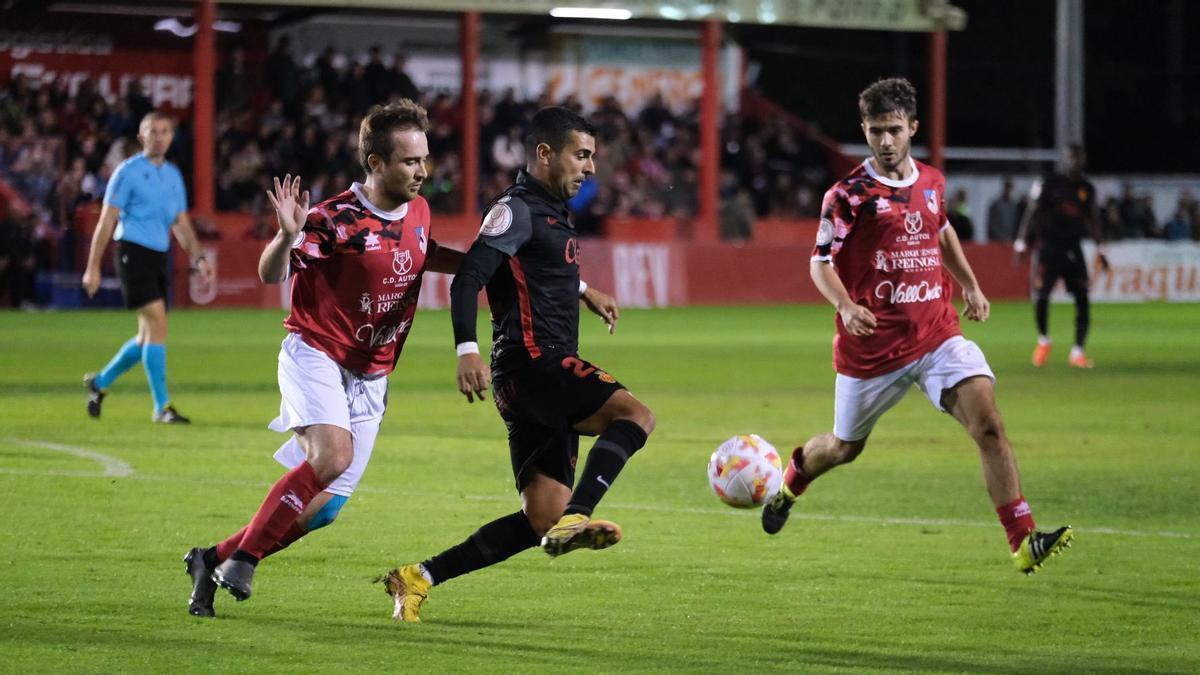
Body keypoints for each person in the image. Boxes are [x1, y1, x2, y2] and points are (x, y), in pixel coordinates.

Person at [760, 78, 1073, 576]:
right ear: (864, 129)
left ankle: (1022, 539)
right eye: (875, 130)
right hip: (872, 350)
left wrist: (970, 285)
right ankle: (791, 482)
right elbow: (820, 263)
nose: (885, 141)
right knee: (844, 448)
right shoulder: (848, 194)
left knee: (989, 425)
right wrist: (844, 305)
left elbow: (942, 229)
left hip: (936, 335)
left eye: (894, 130)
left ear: (913, 128)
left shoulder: (931, 181)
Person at [181, 100, 463, 617]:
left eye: (425, 159)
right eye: (409, 162)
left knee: (323, 510)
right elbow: (272, 274)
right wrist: (287, 235)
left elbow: (424, 251)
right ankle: (244, 559)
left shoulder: (419, 210)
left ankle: (211, 557)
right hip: (318, 353)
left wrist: (480, 266)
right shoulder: (336, 220)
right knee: (332, 457)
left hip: (373, 373)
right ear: (375, 163)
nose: (423, 171)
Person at [378, 107, 656, 623]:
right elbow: (470, 277)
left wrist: (583, 290)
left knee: (540, 518)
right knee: (635, 417)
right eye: (582, 154)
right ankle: (580, 517)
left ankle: (416, 578)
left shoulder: (547, 210)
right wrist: (465, 350)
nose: (590, 167)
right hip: (536, 365)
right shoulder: (516, 209)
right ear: (545, 154)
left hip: (527, 378)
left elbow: (532, 268)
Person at [81, 112, 213, 423]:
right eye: (152, 131)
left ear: (171, 137)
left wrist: (199, 257)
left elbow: (180, 223)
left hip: (158, 256)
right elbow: (107, 220)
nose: (159, 136)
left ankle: (99, 384)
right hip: (131, 252)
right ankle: (161, 407)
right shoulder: (127, 173)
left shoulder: (172, 175)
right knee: (158, 323)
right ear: (142, 137)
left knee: (146, 337)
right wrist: (93, 267)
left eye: (165, 131)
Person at [1014, 144, 1107, 368]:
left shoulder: (1086, 188)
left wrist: (1101, 249)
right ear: (1065, 160)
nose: (1077, 162)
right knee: (1041, 297)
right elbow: (1031, 212)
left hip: (1073, 249)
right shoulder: (1047, 183)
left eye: (1080, 157)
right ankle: (1044, 340)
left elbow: (1093, 219)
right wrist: (1021, 243)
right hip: (1048, 248)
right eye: (1073, 157)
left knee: (1083, 298)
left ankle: (1078, 352)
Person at [986, 177, 1021, 242]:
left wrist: (1012, 238)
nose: (1008, 189)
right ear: (1004, 187)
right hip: (997, 242)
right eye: (1007, 186)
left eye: (1010, 186)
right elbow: (992, 226)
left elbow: (1016, 225)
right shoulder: (996, 205)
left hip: (1010, 242)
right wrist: (1001, 238)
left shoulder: (1015, 206)